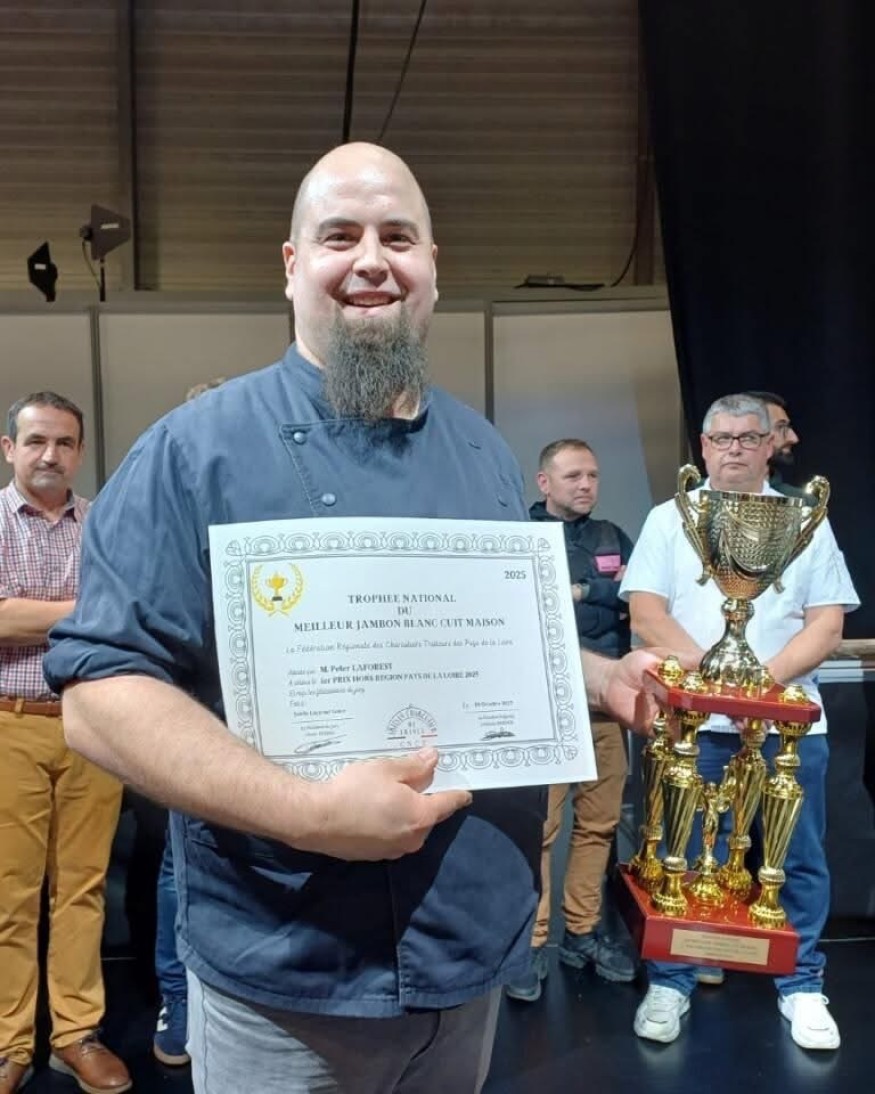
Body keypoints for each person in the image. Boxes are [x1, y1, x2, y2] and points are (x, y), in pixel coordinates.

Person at [43, 143, 661, 1094]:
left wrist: (602, 677)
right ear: (293, 266)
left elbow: (502, 641)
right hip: (286, 970)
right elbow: (98, 696)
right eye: (340, 236)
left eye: (397, 237)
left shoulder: (482, 455)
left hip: (467, 953)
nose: (372, 259)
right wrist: (309, 814)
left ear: (432, 267)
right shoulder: (192, 455)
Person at [620, 392, 859, 1051]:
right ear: (702, 447)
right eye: (721, 438)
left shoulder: (806, 520)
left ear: (769, 445)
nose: (733, 449)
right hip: (694, 725)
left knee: (797, 859)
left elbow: (827, 624)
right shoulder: (670, 517)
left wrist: (758, 685)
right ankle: (671, 979)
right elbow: (645, 614)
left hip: (788, 726)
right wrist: (715, 681)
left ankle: (802, 984)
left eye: (747, 438)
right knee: (679, 856)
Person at [0, 393, 130, 1094]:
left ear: (80, 453)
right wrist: (86, 611)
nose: (50, 455)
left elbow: (127, 613)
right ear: (9, 448)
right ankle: (9, 1040)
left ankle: (76, 1033)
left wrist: (28, 613)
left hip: (91, 724)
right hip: (10, 724)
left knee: (83, 887)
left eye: (64, 443)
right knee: (9, 892)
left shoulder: (104, 523)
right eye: (36, 441)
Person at [505, 440, 637, 1003]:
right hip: (545, 703)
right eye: (573, 476)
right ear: (544, 482)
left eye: (593, 475)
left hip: (607, 702)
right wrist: (602, 594)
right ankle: (533, 942)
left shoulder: (611, 536)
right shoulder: (519, 535)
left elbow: (633, 596)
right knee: (541, 830)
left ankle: (582, 932)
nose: (586, 485)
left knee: (600, 824)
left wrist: (584, 589)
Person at [152, 377, 228, 1069]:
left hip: (272, 721)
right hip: (191, 717)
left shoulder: (264, 501)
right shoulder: (163, 510)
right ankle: (177, 1000)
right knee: (181, 863)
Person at [743, 390, 807, 498]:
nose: (794, 438)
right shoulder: (710, 495)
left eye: (788, 427)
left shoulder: (802, 502)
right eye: (780, 427)